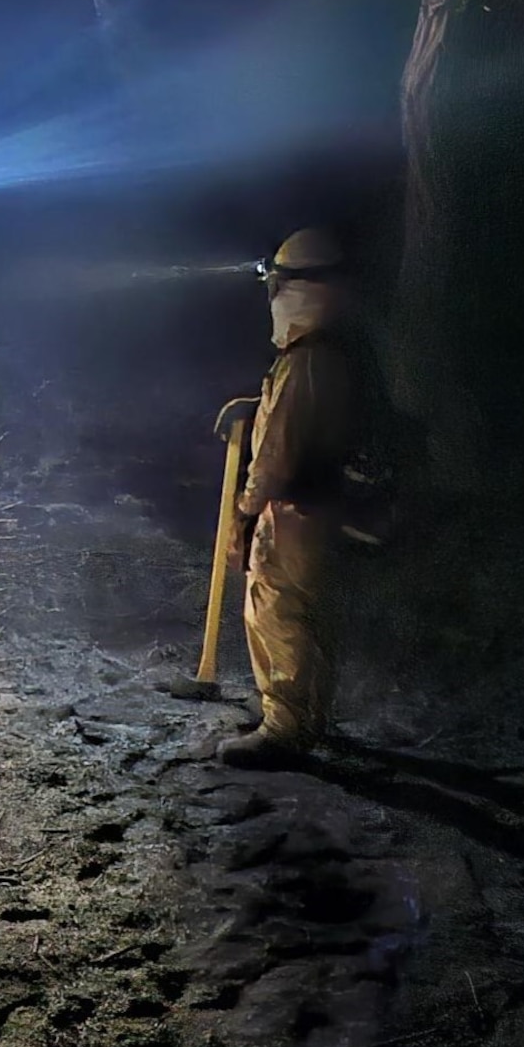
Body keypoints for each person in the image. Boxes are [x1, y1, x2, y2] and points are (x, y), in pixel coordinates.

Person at [217, 227, 367, 769]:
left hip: (295, 514)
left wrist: (245, 509)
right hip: (325, 508)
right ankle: (310, 721)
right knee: (313, 615)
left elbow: (277, 455)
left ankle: (284, 731)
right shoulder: (331, 354)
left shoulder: (307, 360)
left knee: (277, 612)